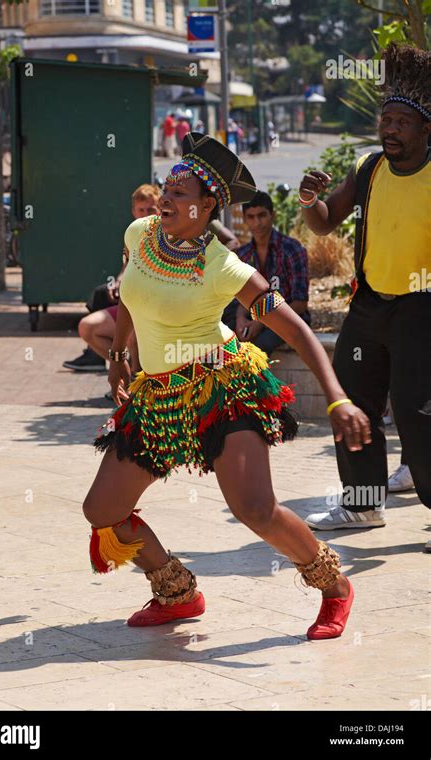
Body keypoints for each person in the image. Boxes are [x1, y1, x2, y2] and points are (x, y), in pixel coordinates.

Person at [82, 131, 371, 639]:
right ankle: (176, 592)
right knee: (103, 509)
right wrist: (121, 352)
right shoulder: (139, 234)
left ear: (207, 206)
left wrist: (338, 398)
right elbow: (132, 293)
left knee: (254, 509)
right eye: (166, 188)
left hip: (222, 388)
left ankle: (333, 586)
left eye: (180, 193)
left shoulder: (225, 267)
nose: (166, 198)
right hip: (159, 394)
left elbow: (297, 330)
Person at [297, 44, 430, 550]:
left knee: (421, 414)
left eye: (402, 121)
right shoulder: (371, 168)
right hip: (370, 304)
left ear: (425, 130)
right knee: (353, 404)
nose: (390, 128)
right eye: (385, 118)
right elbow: (325, 220)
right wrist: (309, 200)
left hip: (423, 308)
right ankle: (362, 504)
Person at [63, 184, 161, 375]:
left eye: (151, 209)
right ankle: (123, 371)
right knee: (87, 327)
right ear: (133, 211)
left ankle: (137, 383)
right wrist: (116, 283)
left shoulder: (167, 234)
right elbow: (126, 266)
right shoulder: (133, 235)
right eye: (141, 210)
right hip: (131, 303)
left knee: (134, 333)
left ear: (160, 209)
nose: (145, 214)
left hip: (155, 307)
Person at [222, 191, 310, 356]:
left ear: (272, 215)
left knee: (259, 346)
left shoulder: (292, 249)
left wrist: (260, 323)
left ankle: (254, 381)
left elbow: (300, 303)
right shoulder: (243, 254)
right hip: (252, 313)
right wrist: (241, 319)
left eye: (262, 215)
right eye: (251, 217)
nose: (257, 223)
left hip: (289, 315)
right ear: (245, 219)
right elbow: (240, 297)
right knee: (223, 335)